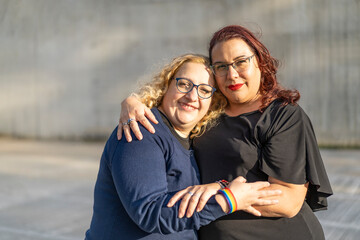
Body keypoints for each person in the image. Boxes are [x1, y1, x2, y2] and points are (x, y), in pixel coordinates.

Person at [117, 25, 333, 240]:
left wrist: (223, 193)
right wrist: (134, 102)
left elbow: (289, 201)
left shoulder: (282, 115)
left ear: (259, 61)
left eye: (240, 62)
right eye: (221, 66)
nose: (232, 74)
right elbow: (173, 99)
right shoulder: (208, 108)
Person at [85, 53, 281, 240]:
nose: (192, 96)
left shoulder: (196, 140)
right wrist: (227, 200)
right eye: (184, 84)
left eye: (204, 90)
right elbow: (149, 213)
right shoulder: (141, 131)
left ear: (213, 102)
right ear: (165, 86)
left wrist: (218, 187)